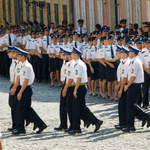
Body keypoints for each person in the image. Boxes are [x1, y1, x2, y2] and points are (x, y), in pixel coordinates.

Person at [11, 47, 47, 134]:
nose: (17, 57)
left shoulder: (27, 66)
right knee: (27, 109)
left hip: (26, 88)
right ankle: (41, 124)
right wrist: (16, 88)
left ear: (23, 56)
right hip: (23, 88)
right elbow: (19, 77)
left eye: (18, 55)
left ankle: (20, 129)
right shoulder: (21, 64)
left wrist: (20, 92)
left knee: (20, 109)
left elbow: (26, 80)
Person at [68, 47, 103, 134]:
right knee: (82, 107)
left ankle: (76, 128)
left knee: (76, 108)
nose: (71, 55)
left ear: (76, 55)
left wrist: (75, 90)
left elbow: (79, 78)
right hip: (80, 86)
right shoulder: (77, 63)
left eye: (72, 54)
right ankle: (96, 121)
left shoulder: (79, 64)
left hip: (80, 87)